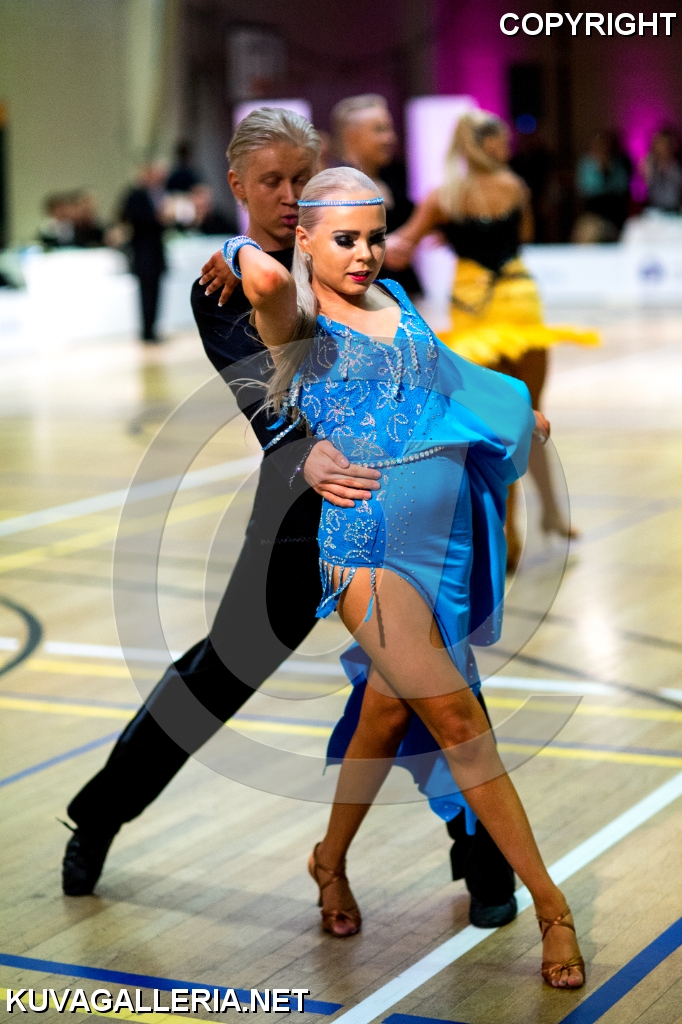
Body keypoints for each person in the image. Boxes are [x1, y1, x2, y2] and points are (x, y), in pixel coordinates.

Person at [61, 109, 515, 929]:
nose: (287, 194)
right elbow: (262, 395)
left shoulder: (350, 254)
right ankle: (98, 817)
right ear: (236, 184)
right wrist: (302, 447)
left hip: (393, 512)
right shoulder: (225, 285)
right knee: (217, 678)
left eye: (301, 178)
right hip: (299, 521)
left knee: (438, 681)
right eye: (270, 181)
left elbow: (421, 362)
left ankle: (482, 859)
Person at [229, 165, 585, 988]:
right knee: (460, 722)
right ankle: (552, 905)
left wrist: (513, 413)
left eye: (374, 236)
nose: (364, 253)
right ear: (304, 239)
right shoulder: (299, 318)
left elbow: (444, 375)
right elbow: (266, 282)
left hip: (447, 540)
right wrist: (236, 245)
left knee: (386, 717)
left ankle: (327, 859)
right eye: (343, 239)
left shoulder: (396, 298)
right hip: (369, 545)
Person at [384, 111, 599, 568]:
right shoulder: (515, 188)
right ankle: (541, 516)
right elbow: (523, 236)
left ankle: (510, 528)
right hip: (520, 306)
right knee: (528, 417)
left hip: (475, 316)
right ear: (486, 145)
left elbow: (401, 246)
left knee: (494, 425)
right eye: (501, 141)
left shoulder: (444, 197)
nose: (507, 148)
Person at [332, 94, 421, 296]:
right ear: (352, 136)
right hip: (364, 297)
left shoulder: (392, 177)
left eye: (389, 129)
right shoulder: (336, 188)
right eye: (380, 130)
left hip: (402, 291)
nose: (390, 138)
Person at [120, 161, 169, 343]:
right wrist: (160, 218)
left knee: (155, 294)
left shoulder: (155, 195)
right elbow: (138, 221)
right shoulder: (135, 196)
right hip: (144, 255)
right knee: (146, 295)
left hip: (154, 254)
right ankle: (147, 331)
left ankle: (153, 328)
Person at [576, 130, 632, 236]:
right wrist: (600, 169)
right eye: (598, 145)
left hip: (615, 214)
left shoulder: (618, 164)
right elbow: (586, 189)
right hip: (593, 215)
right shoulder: (587, 164)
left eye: (605, 145)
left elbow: (621, 187)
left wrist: (608, 169)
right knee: (587, 232)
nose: (602, 149)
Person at [641, 127, 682, 213]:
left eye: (665, 144)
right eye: (659, 144)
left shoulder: (678, 168)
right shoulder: (650, 164)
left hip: (675, 211)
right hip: (653, 211)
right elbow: (643, 190)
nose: (661, 147)